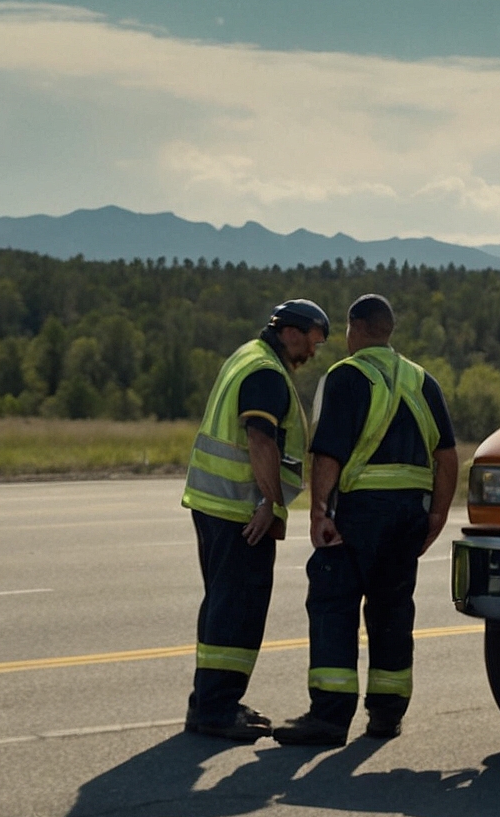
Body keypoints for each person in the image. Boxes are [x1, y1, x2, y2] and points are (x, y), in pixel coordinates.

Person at [271, 294, 459, 748]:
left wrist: (319, 512)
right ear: (388, 330)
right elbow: (448, 457)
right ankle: (386, 715)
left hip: (358, 513)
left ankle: (329, 717)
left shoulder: (346, 376)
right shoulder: (422, 381)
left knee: (333, 607)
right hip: (408, 516)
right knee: (392, 611)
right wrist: (436, 515)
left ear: (355, 328)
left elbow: (328, 453)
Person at [179, 299, 329, 741]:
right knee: (238, 610)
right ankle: (217, 710)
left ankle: (209, 701)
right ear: (290, 332)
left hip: (216, 505)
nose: (313, 352)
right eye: (312, 341)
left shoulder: (247, 356)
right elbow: (261, 440)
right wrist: (269, 503)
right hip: (241, 511)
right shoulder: (266, 372)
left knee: (222, 605)